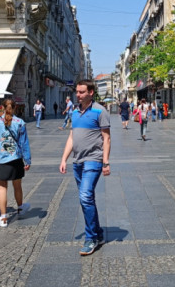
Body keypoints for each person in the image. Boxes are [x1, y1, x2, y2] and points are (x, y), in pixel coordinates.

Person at [59, 79, 110, 256]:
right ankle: (98, 233)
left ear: (90, 92)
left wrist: (105, 162)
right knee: (86, 199)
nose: (77, 95)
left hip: (93, 160)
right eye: (77, 92)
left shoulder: (100, 111)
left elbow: (106, 138)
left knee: (85, 196)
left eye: (81, 92)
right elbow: (72, 137)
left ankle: (90, 238)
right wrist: (64, 158)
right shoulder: (74, 111)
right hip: (78, 161)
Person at [0, 99, 31, 227]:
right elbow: (24, 143)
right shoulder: (20, 122)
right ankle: (20, 207)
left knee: (2, 187)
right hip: (16, 158)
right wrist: (27, 159)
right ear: (14, 108)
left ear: (2, 107)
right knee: (17, 185)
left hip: (1, 158)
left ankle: (3, 217)